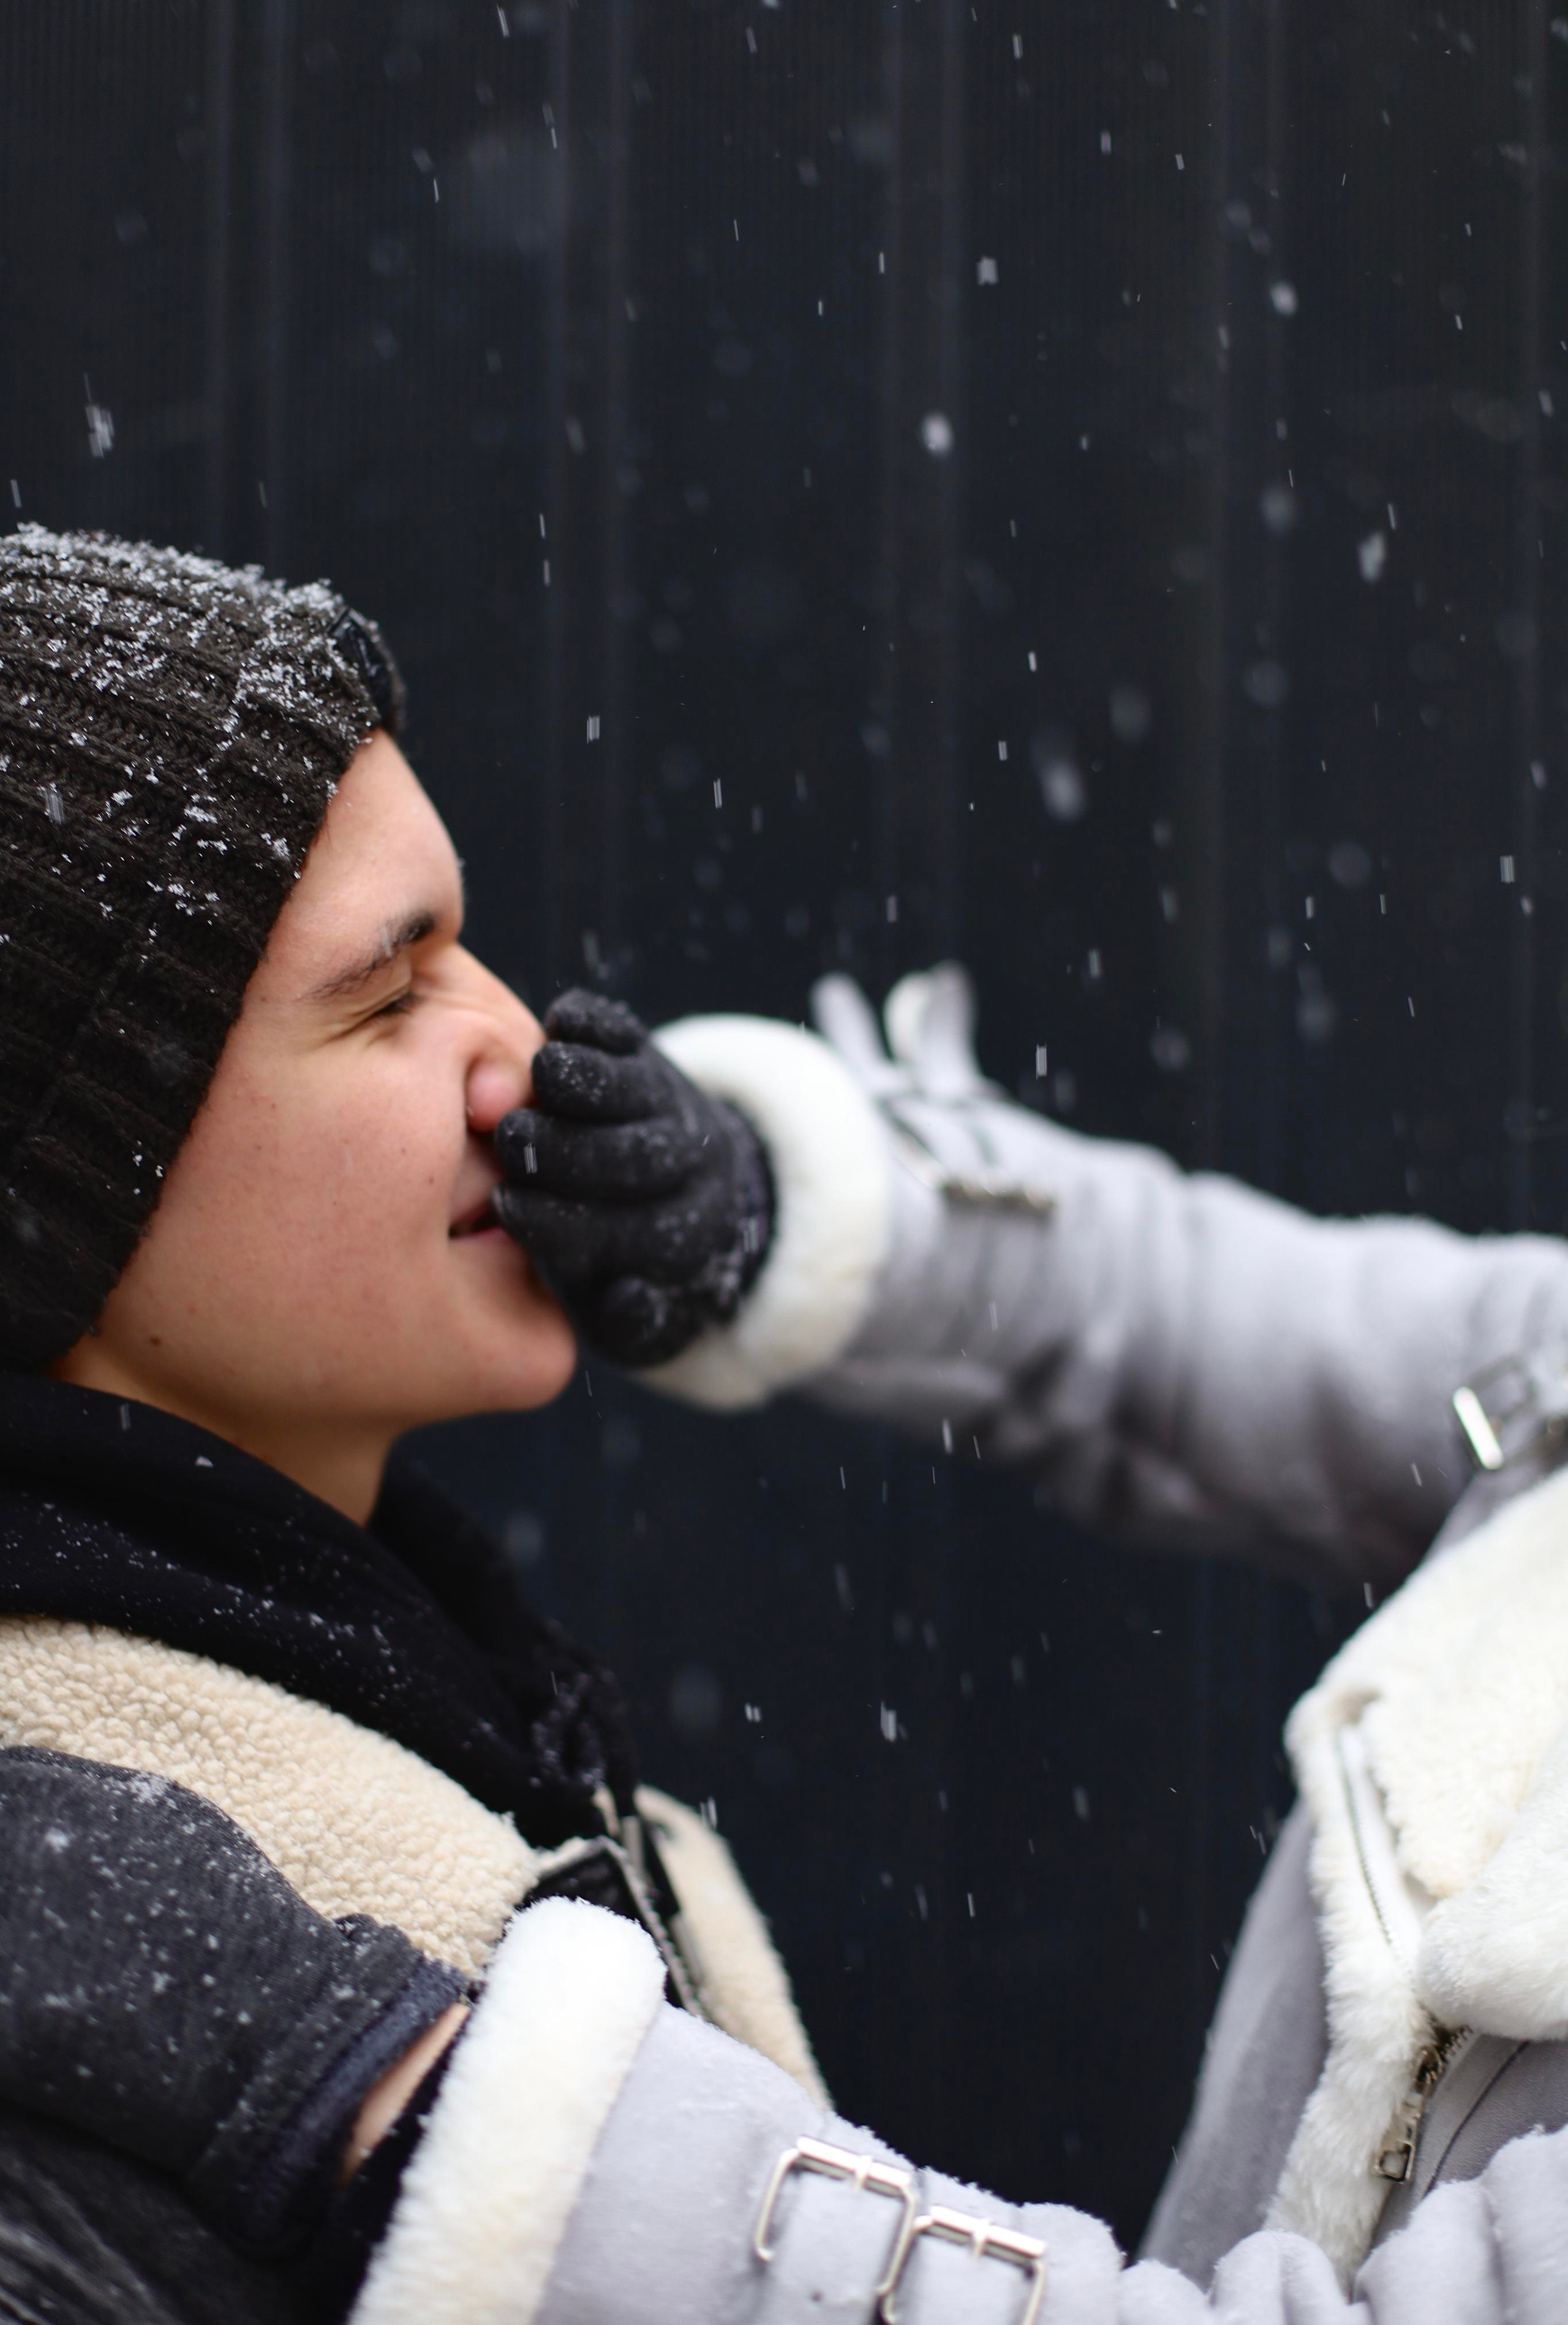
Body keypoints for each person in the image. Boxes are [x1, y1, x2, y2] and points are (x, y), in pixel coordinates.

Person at [4, 524, 1568, 2321]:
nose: (520, 1047)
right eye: (390, 988)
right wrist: (776, 1215)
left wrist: (382, 2105)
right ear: (66, 1209)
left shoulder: (239, 1903)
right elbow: (1259, 1334)